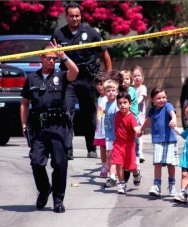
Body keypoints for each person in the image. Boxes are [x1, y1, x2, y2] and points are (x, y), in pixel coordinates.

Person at [20, 41, 79, 213]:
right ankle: (45, 189)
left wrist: (64, 56)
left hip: (58, 126)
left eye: (55, 58)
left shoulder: (61, 76)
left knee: (60, 163)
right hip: (38, 126)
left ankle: (58, 200)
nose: (52, 61)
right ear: (41, 58)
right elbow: (24, 103)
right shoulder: (32, 78)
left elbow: (75, 72)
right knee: (37, 162)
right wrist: (23, 124)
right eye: (49, 58)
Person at [51, 2, 112, 160]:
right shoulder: (58, 35)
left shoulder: (91, 33)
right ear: (66, 16)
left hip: (87, 79)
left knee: (89, 114)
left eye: (77, 15)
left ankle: (91, 148)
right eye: (71, 16)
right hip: (69, 79)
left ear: (81, 16)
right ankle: (67, 148)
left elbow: (105, 54)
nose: (74, 18)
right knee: (66, 113)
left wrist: (108, 76)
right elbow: (50, 55)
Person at [140, 87, 178, 197]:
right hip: (157, 141)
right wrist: (140, 130)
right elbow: (147, 122)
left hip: (170, 140)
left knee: (171, 164)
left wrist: (174, 119)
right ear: (152, 100)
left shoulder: (168, 106)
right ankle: (157, 185)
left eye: (164, 97)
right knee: (157, 163)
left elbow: (172, 113)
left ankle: (172, 185)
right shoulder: (152, 110)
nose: (162, 100)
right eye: (159, 98)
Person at [110, 92, 142, 194]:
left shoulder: (131, 117)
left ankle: (136, 173)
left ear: (130, 104)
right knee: (119, 164)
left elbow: (136, 127)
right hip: (118, 144)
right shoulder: (117, 114)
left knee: (130, 167)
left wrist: (138, 131)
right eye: (119, 103)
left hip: (129, 146)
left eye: (125, 102)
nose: (122, 105)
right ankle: (121, 184)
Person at [103, 79, 119, 187]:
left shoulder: (118, 104)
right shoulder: (106, 104)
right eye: (108, 90)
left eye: (113, 90)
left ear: (117, 92)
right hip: (108, 134)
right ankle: (112, 175)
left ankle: (115, 175)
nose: (111, 92)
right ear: (105, 93)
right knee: (109, 155)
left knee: (115, 156)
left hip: (117, 135)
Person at [131, 65, 148, 163]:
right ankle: (133, 151)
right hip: (131, 114)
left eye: (139, 75)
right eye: (135, 76)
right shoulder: (131, 88)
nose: (137, 78)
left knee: (139, 133)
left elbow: (141, 98)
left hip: (140, 114)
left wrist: (134, 103)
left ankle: (140, 152)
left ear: (142, 76)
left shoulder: (143, 87)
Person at [93, 75, 108, 178]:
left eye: (101, 84)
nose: (99, 87)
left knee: (109, 147)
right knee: (102, 147)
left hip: (108, 126)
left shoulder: (109, 97)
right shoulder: (99, 98)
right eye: (97, 84)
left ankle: (111, 166)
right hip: (100, 126)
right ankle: (104, 166)